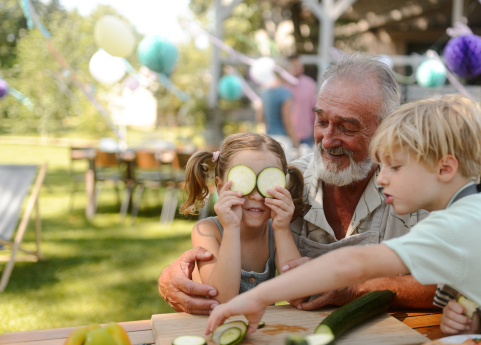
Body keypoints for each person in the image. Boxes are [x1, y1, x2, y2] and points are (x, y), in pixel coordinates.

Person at [204, 94, 481, 345]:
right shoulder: (475, 210)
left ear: (444, 168)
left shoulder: (458, 225)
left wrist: (256, 297)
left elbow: (351, 264)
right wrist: (475, 316)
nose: (382, 177)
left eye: (394, 166)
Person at [157, 53, 436, 315]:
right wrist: (173, 275)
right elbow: (229, 247)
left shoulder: (421, 191)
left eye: (347, 127)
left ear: (386, 128)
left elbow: (456, 282)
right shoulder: (284, 182)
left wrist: (357, 289)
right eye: (321, 120)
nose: (327, 140)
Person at [179, 133, 305, 303]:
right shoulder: (207, 231)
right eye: (244, 183)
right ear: (221, 187)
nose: (257, 196)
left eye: (267, 184)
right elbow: (221, 299)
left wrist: (282, 229)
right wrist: (231, 228)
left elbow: (299, 296)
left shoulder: (276, 231)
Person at [259, 63, 299, 155]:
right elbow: (288, 123)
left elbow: (260, 118)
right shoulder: (286, 94)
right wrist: (297, 146)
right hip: (282, 141)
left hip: (268, 139)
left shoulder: (265, 92)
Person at [285, 55, 317, 147]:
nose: (297, 68)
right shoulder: (283, 85)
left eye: (299, 65)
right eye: (294, 66)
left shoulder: (310, 83)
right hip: (287, 134)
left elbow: (314, 109)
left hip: (306, 134)